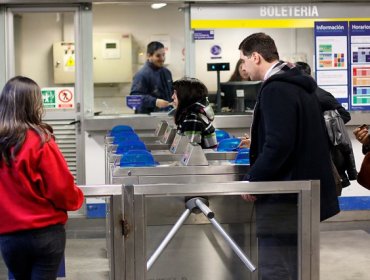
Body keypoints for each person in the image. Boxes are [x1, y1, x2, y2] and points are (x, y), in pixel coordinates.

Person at [238, 33, 339, 280]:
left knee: (277, 266)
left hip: (284, 194)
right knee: (296, 264)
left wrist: (255, 177)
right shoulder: (297, 84)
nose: (243, 67)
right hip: (300, 191)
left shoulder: (276, 89)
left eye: (244, 60)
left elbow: (279, 144)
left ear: (256, 56)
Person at [0, 76, 84, 279]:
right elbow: (60, 188)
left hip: (9, 235)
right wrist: (76, 199)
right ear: (33, 104)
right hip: (44, 234)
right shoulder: (40, 140)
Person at [295, 61, 357, 191]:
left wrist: (323, 127)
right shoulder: (299, 96)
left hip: (328, 155)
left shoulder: (320, 96)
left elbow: (344, 115)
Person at [171, 77, 217, 149]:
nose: (172, 97)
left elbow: (190, 149)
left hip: (200, 159)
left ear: (186, 97)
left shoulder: (192, 118)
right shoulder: (193, 114)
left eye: (175, 94)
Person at [130, 41, 173, 114]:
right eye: (158, 56)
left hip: (165, 118)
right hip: (148, 120)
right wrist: (155, 101)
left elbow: (171, 93)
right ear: (149, 56)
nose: (162, 58)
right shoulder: (142, 75)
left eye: (163, 55)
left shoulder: (167, 73)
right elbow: (134, 98)